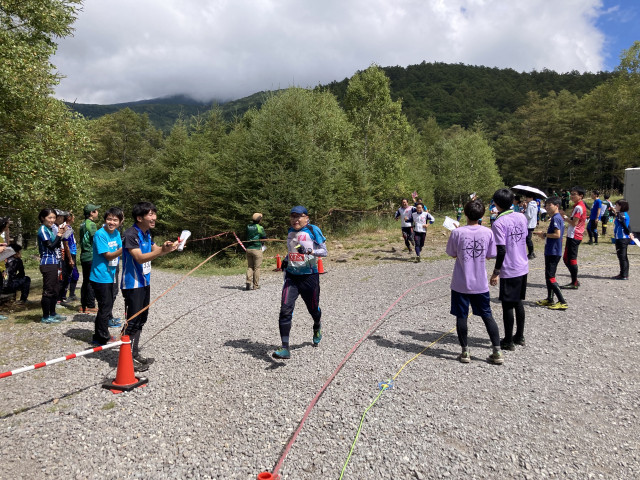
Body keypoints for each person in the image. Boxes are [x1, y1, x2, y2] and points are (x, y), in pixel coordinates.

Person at [121, 202, 178, 371]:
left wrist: (168, 248)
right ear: (140, 218)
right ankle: (125, 360)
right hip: (132, 283)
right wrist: (161, 251)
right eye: (150, 214)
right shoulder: (130, 234)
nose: (154, 218)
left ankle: (133, 353)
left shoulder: (147, 232)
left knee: (142, 319)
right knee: (132, 321)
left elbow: (156, 249)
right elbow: (139, 257)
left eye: (154, 214)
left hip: (145, 282)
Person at [445, 199, 503, 365]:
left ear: (465, 213)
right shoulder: (488, 232)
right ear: (482, 215)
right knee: (487, 315)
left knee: (461, 316)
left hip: (461, 282)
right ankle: (497, 351)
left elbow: (452, 253)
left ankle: (465, 351)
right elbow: (490, 255)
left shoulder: (457, 233)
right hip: (480, 283)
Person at [273, 206, 328, 360]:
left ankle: (317, 325)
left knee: (313, 309)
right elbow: (292, 250)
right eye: (292, 216)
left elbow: (324, 251)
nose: (295, 220)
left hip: (309, 277)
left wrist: (310, 252)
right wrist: (286, 259)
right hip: (292, 277)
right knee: (285, 310)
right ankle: (285, 348)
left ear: (306, 218)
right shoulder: (290, 231)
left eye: (299, 217)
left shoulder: (312, 229)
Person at [489, 189, 529, 350]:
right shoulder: (521, 216)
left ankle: (508, 340)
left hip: (510, 267)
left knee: (507, 305)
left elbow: (501, 250)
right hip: (522, 265)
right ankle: (519, 335)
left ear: (496, 203)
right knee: (518, 302)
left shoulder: (499, 223)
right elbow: (525, 237)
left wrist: (496, 272)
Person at [90, 208, 124, 346]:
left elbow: (119, 251)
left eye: (115, 220)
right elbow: (108, 255)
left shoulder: (116, 233)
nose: (112, 222)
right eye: (109, 219)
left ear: (120, 222)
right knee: (105, 306)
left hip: (111, 274)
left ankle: (98, 335)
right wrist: (125, 248)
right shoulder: (100, 234)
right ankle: (102, 337)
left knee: (108, 305)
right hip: (100, 276)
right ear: (105, 220)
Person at [534, 197, 568, 310]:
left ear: (556, 206)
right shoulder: (555, 218)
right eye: (546, 205)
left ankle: (562, 301)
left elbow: (557, 235)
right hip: (550, 250)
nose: (547, 207)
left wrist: (544, 234)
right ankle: (550, 299)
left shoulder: (556, 218)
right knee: (548, 276)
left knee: (551, 277)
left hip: (553, 251)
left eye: (550, 205)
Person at [37, 208, 68, 323]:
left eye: (54, 218)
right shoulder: (42, 229)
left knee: (55, 289)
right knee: (48, 290)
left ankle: (53, 313)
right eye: (49, 217)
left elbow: (57, 244)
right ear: (43, 218)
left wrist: (61, 234)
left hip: (55, 261)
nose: (52, 220)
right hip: (47, 263)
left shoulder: (50, 229)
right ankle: (45, 316)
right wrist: (59, 234)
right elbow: (50, 246)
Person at [561, 186, 587, 290]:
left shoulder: (579, 207)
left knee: (570, 259)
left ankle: (574, 282)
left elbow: (574, 223)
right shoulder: (577, 206)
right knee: (566, 258)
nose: (572, 196)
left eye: (574, 194)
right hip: (573, 235)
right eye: (571, 194)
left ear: (581, 196)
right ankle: (574, 279)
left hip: (575, 235)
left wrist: (564, 217)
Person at [79, 203, 100, 313]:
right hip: (90, 255)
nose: (98, 212)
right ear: (92, 213)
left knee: (85, 281)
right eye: (96, 210)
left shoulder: (82, 224)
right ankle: (91, 305)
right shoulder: (91, 224)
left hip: (84, 255)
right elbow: (95, 240)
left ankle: (84, 305)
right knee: (91, 281)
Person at [612, 199, 634, 280]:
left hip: (621, 238)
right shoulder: (624, 214)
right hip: (623, 238)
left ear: (621, 206)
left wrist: (629, 233)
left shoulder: (620, 215)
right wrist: (630, 232)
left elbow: (624, 225)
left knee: (622, 257)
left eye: (617, 205)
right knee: (623, 257)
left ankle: (624, 275)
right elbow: (628, 225)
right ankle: (623, 273)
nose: (615, 206)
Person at [59, 211, 79, 303]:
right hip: (69, 254)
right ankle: (62, 296)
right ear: (69, 218)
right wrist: (70, 258)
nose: (74, 218)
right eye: (72, 216)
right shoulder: (66, 228)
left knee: (73, 274)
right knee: (69, 275)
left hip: (72, 252)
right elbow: (65, 243)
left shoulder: (69, 227)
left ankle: (70, 294)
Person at [245, 212, 267, 291]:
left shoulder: (248, 226)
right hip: (257, 249)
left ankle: (248, 281)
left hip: (248, 249)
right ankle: (255, 285)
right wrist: (264, 241)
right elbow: (264, 237)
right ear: (259, 220)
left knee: (250, 266)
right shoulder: (260, 227)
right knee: (257, 268)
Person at [523, 194, 538, 259]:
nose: (526, 198)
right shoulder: (535, 205)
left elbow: (529, 216)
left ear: (531, 198)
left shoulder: (530, 205)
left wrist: (523, 213)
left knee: (528, 239)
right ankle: (532, 252)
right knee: (528, 239)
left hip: (529, 224)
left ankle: (531, 253)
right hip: (533, 223)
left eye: (527, 197)